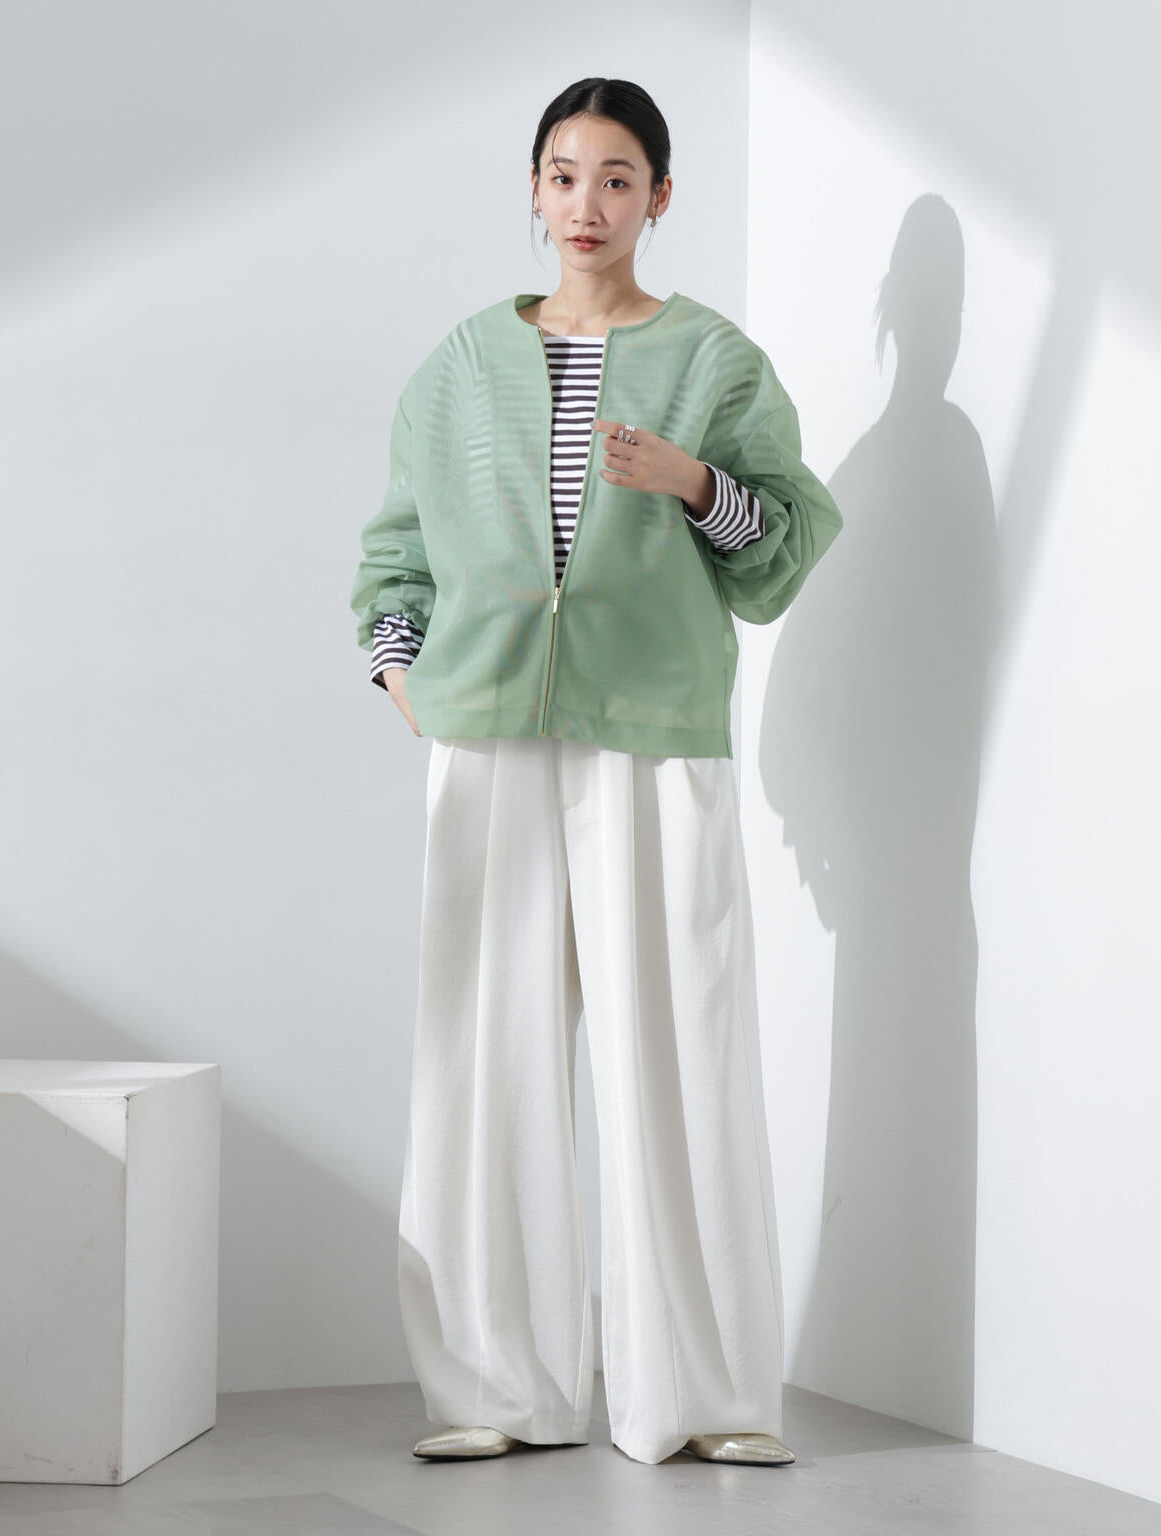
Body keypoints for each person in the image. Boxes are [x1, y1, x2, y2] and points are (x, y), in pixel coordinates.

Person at [349, 77, 843, 1467]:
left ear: (660, 198)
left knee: (678, 1045)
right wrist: (401, 676)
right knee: (485, 1056)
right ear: (533, 188)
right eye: (563, 175)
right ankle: (494, 1391)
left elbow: (780, 550)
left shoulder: (714, 361)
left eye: (617, 178)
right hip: (487, 729)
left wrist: (690, 481)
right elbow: (394, 549)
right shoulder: (462, 365)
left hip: (654, 728)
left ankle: (703, 1397)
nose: (586, 204)